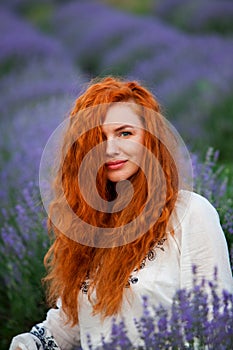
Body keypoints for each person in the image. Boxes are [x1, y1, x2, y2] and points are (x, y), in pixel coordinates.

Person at [10, 76, 233, 350]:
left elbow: (214, 326)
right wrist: (27, 344)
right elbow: (68, 327)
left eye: (125, 133)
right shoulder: (89, 226)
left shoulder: (190, 214)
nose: (111, 149)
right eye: (98, 139)